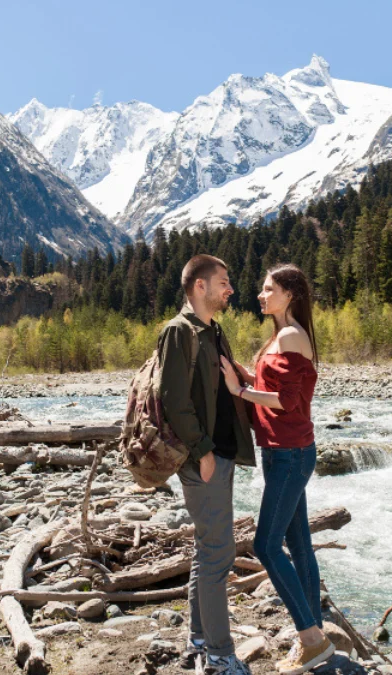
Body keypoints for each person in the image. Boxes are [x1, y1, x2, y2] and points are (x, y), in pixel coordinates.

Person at [220, 264, 333, 675]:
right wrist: (246, 375)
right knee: (298, 542)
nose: (261, 295)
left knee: (265, 546)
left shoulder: (290, 336)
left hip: (289, 454)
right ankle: (316, 633)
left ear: (290, 294)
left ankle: (311, 639)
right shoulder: (283, 336)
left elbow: (285, 401)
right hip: (287, 451)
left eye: (269, 289)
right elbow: (282, 390)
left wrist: (241, 390)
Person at [158, 254, 256, 675]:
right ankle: (219, 655)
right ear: (199, 286)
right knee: (218, 554)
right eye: (223, 281)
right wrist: (202, 452)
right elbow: (173, 400)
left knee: (208, 550)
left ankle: (199, 641)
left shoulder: (211, 330)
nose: (230, 288)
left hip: (219, 454)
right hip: (206, 458)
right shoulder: (178, 332)